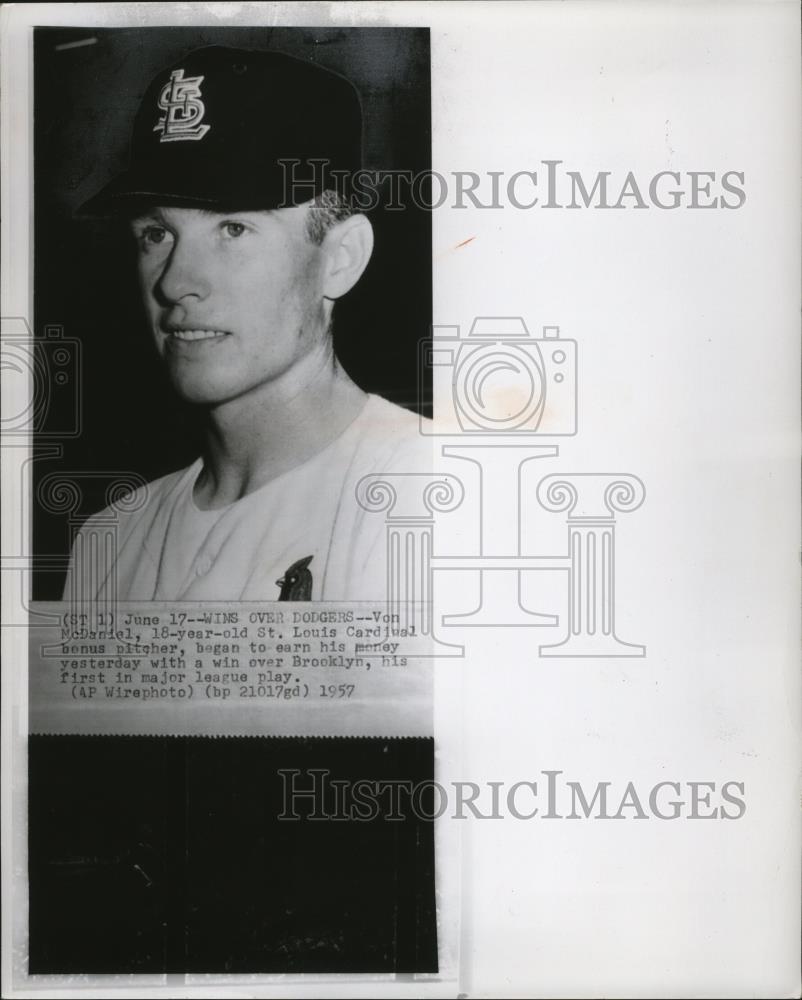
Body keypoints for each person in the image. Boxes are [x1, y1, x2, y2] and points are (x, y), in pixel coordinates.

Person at [63, 45, 430, 603]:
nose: (174, 282)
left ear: (340, 258)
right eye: (156, 234)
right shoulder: (109, 540)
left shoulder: (427, 493)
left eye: (233, 229)